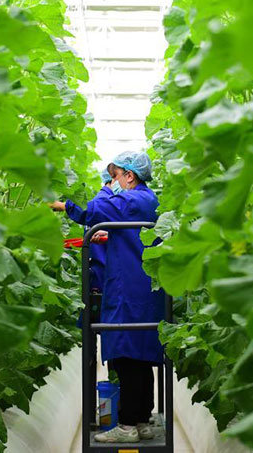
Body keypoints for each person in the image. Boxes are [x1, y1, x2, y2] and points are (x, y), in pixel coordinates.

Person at [51, 151, 164, 443]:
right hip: (136, 289)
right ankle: (141, 421)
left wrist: (71, 204)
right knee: (138, 358)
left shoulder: (134, 200)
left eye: (115, 175)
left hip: (130, 291)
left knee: (127, 358)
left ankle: (127, 426)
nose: (113, 182)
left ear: (129, 175)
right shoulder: (142, 200)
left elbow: (96, 210)